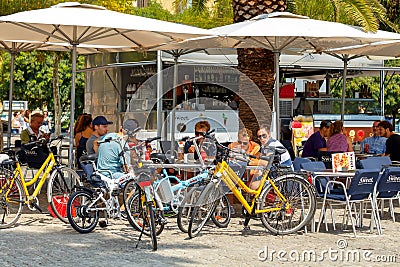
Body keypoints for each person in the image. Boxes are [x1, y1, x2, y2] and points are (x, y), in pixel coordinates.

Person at [249, 125, 293, 190]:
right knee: (251, 183)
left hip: (283, 177)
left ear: (269, 134)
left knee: (253, 185)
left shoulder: (273, 144)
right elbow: (256, 156)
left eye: (264, 135)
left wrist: (250, 162)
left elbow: (266, 163)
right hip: (274, 173)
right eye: (259, 137)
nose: (262, 139)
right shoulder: (264, 145)